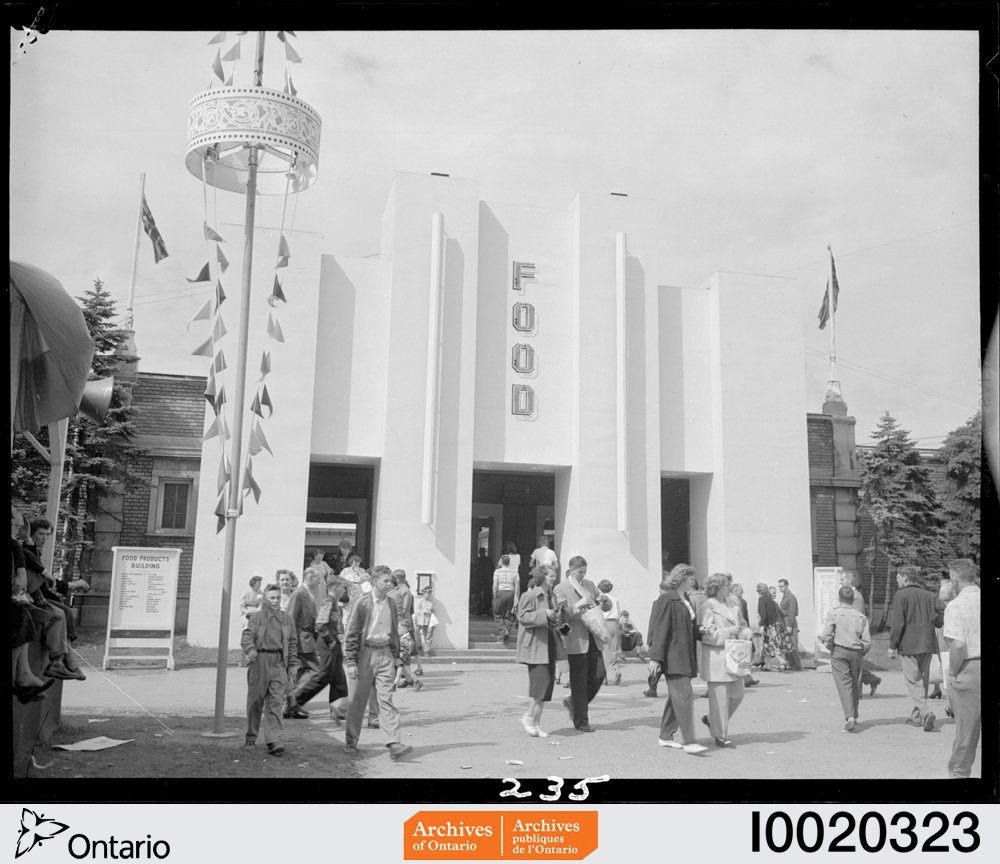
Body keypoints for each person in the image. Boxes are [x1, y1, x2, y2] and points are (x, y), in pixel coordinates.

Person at [343, 565, 413, 761]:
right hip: (364, 654)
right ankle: (351, 742)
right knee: (357, 701)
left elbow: (394, 631)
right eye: (386, 581)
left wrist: (396, 656)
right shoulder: (362, 603)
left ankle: (393, 743)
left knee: (386, 700)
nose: (390, 583)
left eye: (391, 580)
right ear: (375, 582)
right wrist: (351, 661)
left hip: (385, 655)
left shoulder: (391, 603)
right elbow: (352, 632)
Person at [646, 564, 706, 754]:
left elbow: (688, 626)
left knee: (677, 697)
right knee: (684, 696)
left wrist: (700, 631)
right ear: (681, 578)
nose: (693, 581)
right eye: (690, 578)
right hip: (673, 656)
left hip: (684, 655)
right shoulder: (667, 598)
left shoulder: (685, 599)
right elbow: (661, 628)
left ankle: (665, 736)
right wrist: (655, 658)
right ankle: (689, 741)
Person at [242, 583, 298, 756]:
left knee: (276, 703)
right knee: (255, 702)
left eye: (278, 598)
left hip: (279, 662)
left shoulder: (287, 619)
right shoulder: (256, 618)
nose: (275, 601)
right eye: (272, 598)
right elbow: (247, 636)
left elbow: (293, 643)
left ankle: (274, 741)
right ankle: (251, 737)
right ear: (265, 599)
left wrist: (293, 665)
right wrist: (250, 650)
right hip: (260, 661)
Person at [553, 555, 608, 732]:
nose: (582, 575)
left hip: (595, 636)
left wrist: (605, 601)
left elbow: (603, 607)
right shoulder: (561, 589)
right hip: (576, 638)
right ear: (570, 570)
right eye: (579, 572)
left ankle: (573, 702)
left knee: (599, 674)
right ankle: (581, 720)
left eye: (584, 572)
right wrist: (578, 605)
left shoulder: (590, 584)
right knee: (579, 681)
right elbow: (561, 616)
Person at [698, 573, 752, 747]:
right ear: (718, 587)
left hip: (735, 657)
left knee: (737, 695)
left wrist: (745, 632)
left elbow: (742, 625)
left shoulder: (734, 604)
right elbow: (707, 636)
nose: (730, 587)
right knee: (719, 699)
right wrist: (729, 632)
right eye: (727, 584)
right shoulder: (707, 606)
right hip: (717, 658)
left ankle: (712, 720)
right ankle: (720, 735)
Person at [888, 565, 943, 732]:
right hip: (927, 641)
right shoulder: (930, 595)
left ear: (905, 577)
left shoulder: (901, 595)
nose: (896, 580)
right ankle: (917, 716)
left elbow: (898, 622)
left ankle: (926, 712)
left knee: (913, 681)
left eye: (898, 577)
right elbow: (941, 615)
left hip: (909, 642)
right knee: (922, 680)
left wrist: (892, 646)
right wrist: (934, 622)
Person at [515, 565, 565, 737]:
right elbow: (522, 617)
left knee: (546, 687)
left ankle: (536, 723)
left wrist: (563, 626)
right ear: (542, 577)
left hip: (550, 644)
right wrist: (545, 613)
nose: (554, 578)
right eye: (551, 576)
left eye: (554, 575)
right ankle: (528, 717)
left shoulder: (552, 596)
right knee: (539, 685)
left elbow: (556, 620)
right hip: (536, 646)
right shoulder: (529, 595)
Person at [293, 572, 350, 723]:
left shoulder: (335, 603)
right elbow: (320, 624)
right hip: (327, 645)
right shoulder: (328, 602)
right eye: (343, 588)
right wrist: (330, 640)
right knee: (323, 676)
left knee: (339, 678)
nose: (344, 591)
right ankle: (295, 701)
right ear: (336, 588)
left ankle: (337, 709)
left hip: (335, 643)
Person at [941, 559, 980, 779]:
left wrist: (953, 673)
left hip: (969, 667)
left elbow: (957, 644)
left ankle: (959, 775)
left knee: (967, 731)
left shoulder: (956, 606)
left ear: (954, 579)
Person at [820, 585, 871, 732]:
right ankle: (854, 714)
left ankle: (850, 718)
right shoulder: (861, 616)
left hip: (839, 651)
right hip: (856, 652)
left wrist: (830, 647)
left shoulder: (834, 613)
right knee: (855, 683)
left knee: (844, 684)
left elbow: (827, 635)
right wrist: (862, 651)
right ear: (852, 599)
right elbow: (867, 640)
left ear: (839, 598)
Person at [284, 567, 322, 719]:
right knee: (316, 671)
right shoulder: (299, 593)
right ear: (310, 578)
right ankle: (293, 701)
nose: (319, 582)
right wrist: (291, 640)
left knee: (301, 672)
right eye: (318, 579)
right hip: (301, 640)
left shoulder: (307, 593)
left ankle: (293, 707)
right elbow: (291, 617)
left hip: (306, 639)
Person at [841, 570, 882, 695]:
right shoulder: (846, 594)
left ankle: (857, 693)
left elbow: (857, 617)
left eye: (842, 580)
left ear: (849, 580)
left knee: (854, 665)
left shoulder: (856, 596)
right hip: (846, 635)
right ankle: (872, 679)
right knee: (849, 664)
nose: (840, 582)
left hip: (854, 636)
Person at [390, 570, 423, 691]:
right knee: (403, 658)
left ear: (397, 579)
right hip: (401, 625)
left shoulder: (404, 592)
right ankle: (409, 679)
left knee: (404, 656)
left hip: (403, 626)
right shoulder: (401, 591)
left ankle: (411, 679)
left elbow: (404, 610)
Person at [929, 576, 957, 701]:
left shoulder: (952, 606)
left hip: (944, 632)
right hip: (941, 630)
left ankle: (947, 696)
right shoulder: (939, 599)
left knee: (944, 664)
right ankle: (937, 689)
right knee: (941, 664)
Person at [755, 582, 793, 671]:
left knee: (771, 644)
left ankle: (781, 660)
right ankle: (766, 665)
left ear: (759, 591)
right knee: (767, 645)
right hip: (775, 625)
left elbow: (763, 614)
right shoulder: (770, 600)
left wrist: (761, 625)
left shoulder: (761, 599)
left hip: (768, 626)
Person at [644, 581, 671, 697]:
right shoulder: (676, 602)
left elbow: (653, 622)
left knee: (656, 664)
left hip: (658, 639)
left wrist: (650, 640)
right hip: (671, 641)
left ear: (660, 590)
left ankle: (652, 689)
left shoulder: (657, 603)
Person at [730, 583, 759, 686]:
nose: (742, 592)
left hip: (740, 630)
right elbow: (738, 618)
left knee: (741, 657)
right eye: (740, 590)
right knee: (739, 657)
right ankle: (746, 679)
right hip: (738, 631)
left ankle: (747, 678)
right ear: (735, 591)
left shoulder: (739, 601)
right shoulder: (734, 601)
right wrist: (744, 629)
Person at [597, 579, 622, 685]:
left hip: (604, 623)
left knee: (604, 650)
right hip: (614, 623)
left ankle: (604, 677)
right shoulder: (616, 599)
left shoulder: (600, 599)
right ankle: (617, 670)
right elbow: (619, 614)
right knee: (613, 648)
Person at [492, 554, 519, 644]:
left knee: (497, 613)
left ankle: (504, 631)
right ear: (509, 562)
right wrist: (516, 597)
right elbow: (517, 587)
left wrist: (495, 595)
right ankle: (505, 633)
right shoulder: (514, 572)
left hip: (501, 592)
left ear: (501, 562)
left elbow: (495, 585)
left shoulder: (497, 572)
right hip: (511, 593)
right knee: (509, 614)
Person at [777, 578, 802, 670]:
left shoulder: (790, 597)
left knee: (793, 644)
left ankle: (797, 665)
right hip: (785, 620)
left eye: (782, 586)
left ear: (787, 586)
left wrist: (789, 625)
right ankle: (791, 663)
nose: (780, 588)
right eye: (779, 586)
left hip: (789, 621)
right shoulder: (785, 596)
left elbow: (792, 612)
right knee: (787, 644)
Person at [414, 584, 438, 658]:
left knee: (428, 635)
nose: (429, 594)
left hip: (428, 620)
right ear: (424, 593)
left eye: (430, 593)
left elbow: (433, 611)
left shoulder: (431, 602)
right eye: (428, 593)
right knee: (416, 633)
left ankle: (426, 651)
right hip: (420, 620)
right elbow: (417, 611)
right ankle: (419, 647)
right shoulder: (419, 601)